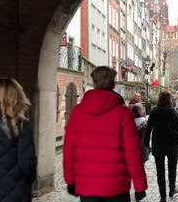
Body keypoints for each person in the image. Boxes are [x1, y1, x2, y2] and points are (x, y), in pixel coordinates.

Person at [63, 66, 147, 202]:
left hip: (87, 186)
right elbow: (133, 153)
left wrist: (70, 180)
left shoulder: (77, 112)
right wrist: (140, 186)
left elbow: (69, 150)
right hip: (116, 187)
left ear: (94, 84)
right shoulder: (123, 114)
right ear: (113, 84)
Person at [144, 90, 178, 202]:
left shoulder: (154, 111)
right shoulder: (173, 111)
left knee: (160, 170)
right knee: (172, 167)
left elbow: (148, 128)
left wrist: (146, 143)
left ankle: (163, 196)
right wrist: (171, 130)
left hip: (158, 144)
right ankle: (171, 189)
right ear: (170, 99)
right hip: (172, 144)